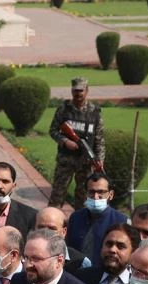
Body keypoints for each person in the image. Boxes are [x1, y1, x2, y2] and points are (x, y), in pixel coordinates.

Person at [48, 78, 105, 209]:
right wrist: (65, 141)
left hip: (85, 163)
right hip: (65, 161)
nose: (78, 94)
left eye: (81, 91)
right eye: (75, 91)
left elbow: (99, 139)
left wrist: (100, 159)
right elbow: (53, 130)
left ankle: (79, 225)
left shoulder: (94, 112)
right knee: (57, 194)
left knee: (83, 197)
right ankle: (50, 224)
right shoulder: (64, 109)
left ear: (87, 91)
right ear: (71, 91)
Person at [66, 173, 128, 268]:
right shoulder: (75, 218)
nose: (95, 197)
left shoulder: (121, 221)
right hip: (76, 274)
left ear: (110, 195)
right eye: (91, 192)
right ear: (85, 193)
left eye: (101, 192)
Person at [35, 206, 92, 274]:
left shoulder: (81, 262)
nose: (45, 232)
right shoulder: (24, 255)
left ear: (64, 232)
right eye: (41, 227)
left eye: (52, 229)